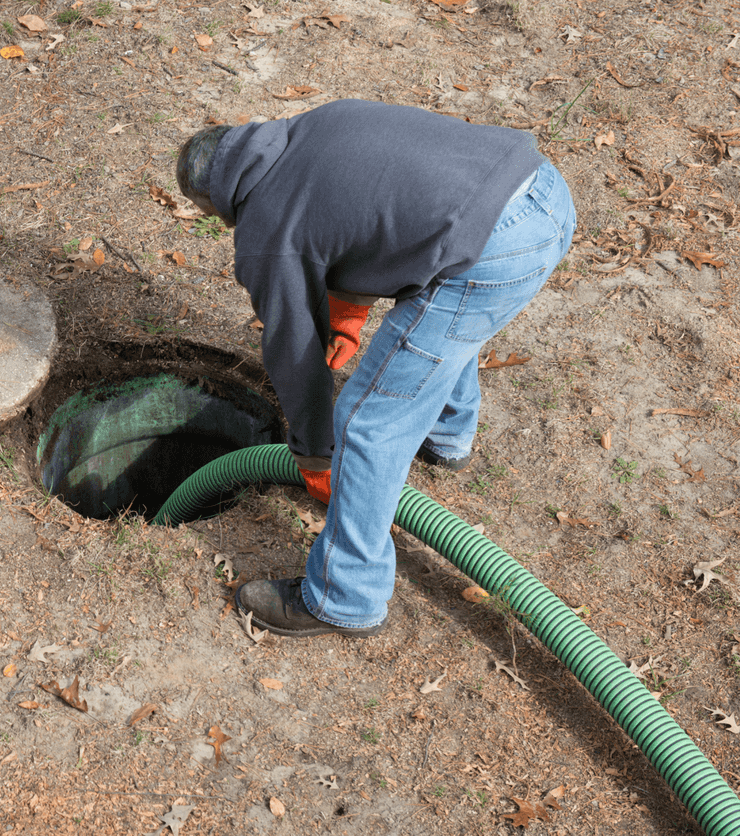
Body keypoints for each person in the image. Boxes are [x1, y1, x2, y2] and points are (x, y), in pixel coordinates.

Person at [175, 99, 575, 638]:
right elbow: (369, 211)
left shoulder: (263, 228)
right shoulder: (314, 125)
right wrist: (346, 315)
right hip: (542, 191)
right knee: (447, 328)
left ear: (214, 200)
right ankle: (446, 438)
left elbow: (292, 351)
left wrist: (317, 451)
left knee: (367, 425)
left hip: (494, 248)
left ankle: (345, 597)